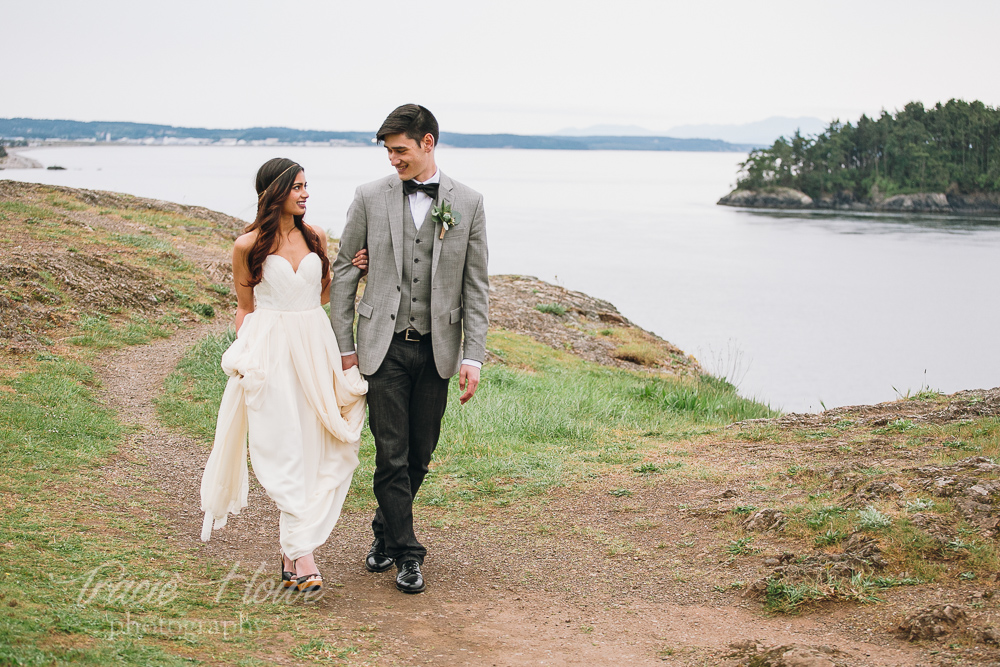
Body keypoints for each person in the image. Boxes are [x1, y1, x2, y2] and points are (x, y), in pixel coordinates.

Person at [329, 104, 489, 594]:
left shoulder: (470, 201)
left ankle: (383, 533)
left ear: (428, 143)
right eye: (388, 152)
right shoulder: (369, 197)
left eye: (400, 150)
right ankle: (408, 554)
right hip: (384, 347)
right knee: (390, 454)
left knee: (420, 453)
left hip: (439, 348)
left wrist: (473, 355)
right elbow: (344, 270)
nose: (393, 160)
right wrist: (345, 346)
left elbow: (475, 286)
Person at [199, 158, 370, 594]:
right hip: (272, 352)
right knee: (282, 449)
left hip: (315, 348)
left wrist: (355, 269)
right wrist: (248, 357)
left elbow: (324, 293)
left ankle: (290, 552)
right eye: (297, 186)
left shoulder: (316, 238)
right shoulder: (247, 245)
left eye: (306, 185)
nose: (305, 193)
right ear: (273, 192)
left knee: (320, 447)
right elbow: (245, 307)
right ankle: (303, 554)